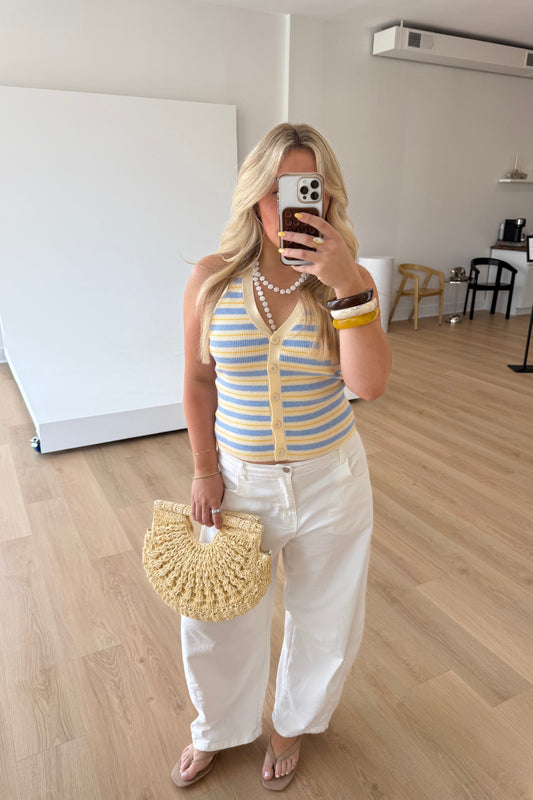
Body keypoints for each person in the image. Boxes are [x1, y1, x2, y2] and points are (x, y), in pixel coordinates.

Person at [173, 122, 391, 790]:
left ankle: (291, 726)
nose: (290, 206)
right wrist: (205, 470)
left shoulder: (345, 281)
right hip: (240, 484)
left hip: (332, 482)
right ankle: (216, 728)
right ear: (255, 197)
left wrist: (345, 283)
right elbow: (197, 379)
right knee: (214, 619)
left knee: (325, 618)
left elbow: (369, 385)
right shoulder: (212, 279)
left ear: (326, 199)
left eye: (307, 189)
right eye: (278, 189)